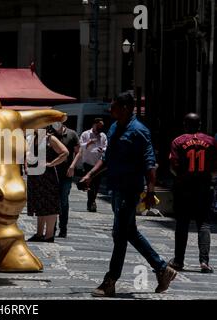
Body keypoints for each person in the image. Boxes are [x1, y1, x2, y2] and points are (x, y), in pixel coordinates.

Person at [79, 92, 177, 297]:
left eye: (113, 106)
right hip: (115, 188)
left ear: (125, 108)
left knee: (120, 234)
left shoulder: (139, 131)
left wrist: (150, 192)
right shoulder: (115, 127)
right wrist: (90, 174)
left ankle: (110, 280)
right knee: (129, 232)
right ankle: (162, 269)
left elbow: (150, 164)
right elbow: (107, 158)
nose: (109, 110)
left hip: (130, 190)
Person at [168, 113, 217, 273]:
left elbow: (173, 166)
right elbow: (215, 168)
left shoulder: (178, 141)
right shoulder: (210, 142)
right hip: (204, 188)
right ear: (200, 124)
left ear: (185, 124)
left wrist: (182, 178)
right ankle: (204, 261)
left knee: (182, 223)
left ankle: (179, 261)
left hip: (184, 188)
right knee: (204, 224)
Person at [26, 128, 69, 242]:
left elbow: (65, 152)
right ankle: (39, 233)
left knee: (50, 204)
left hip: (47, 176)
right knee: (40, 204)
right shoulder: (33, 138)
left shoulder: (50, 138)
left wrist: (51, 164)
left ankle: (49, 234)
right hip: (35, 176)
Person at [51, 121, 80, 238]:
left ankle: (63, 229)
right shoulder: (50, 134)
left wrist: (73, 166)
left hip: (66, 173)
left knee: (63, 202)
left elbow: (78, 152)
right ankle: (51, 228)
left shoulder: (72, 134)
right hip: (52, 172)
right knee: (52, 201)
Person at [79, 118, 107, 212]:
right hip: (88, 162)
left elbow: (107, 146)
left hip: (98, 164)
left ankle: (92, 201)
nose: (100, 128)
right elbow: (80, 146)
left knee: (97, 183)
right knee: (90, 183)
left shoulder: (103, 135)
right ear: (94, 124)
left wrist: (103, 150)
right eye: (99, 126)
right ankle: (91, 203)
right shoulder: (86, 134)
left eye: (102, 126)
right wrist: (89, 143)